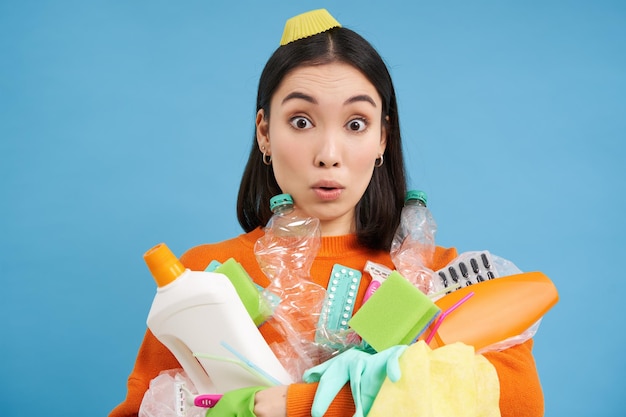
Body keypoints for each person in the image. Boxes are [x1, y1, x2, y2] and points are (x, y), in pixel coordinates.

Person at [110, 9, 544, 417]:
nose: (329, 155)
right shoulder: (203, 279)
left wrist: (308, 403)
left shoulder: (440, 280)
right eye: (301, 121)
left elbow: (518, 402)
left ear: (382, 139)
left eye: (356, 123)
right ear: (265, 133)